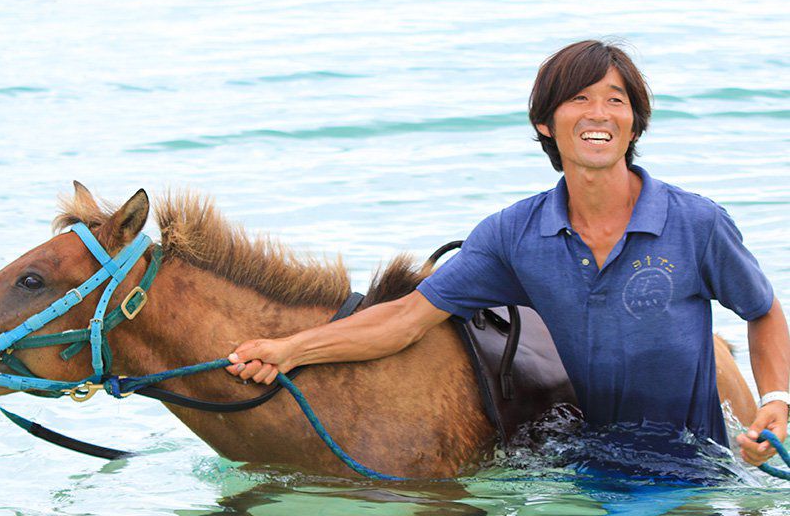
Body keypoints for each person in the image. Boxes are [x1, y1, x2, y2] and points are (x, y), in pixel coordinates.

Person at [225, 40, 790, 471]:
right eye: (579, 99)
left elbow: (762, 310)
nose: (599, 113)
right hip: (599, 461)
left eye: (615, 100)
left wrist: (776, 401)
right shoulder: (514, 235)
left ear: (634, 121)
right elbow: (403, 320)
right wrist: (292, 349)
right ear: (546, 123)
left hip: (701, 462)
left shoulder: (696, 222)